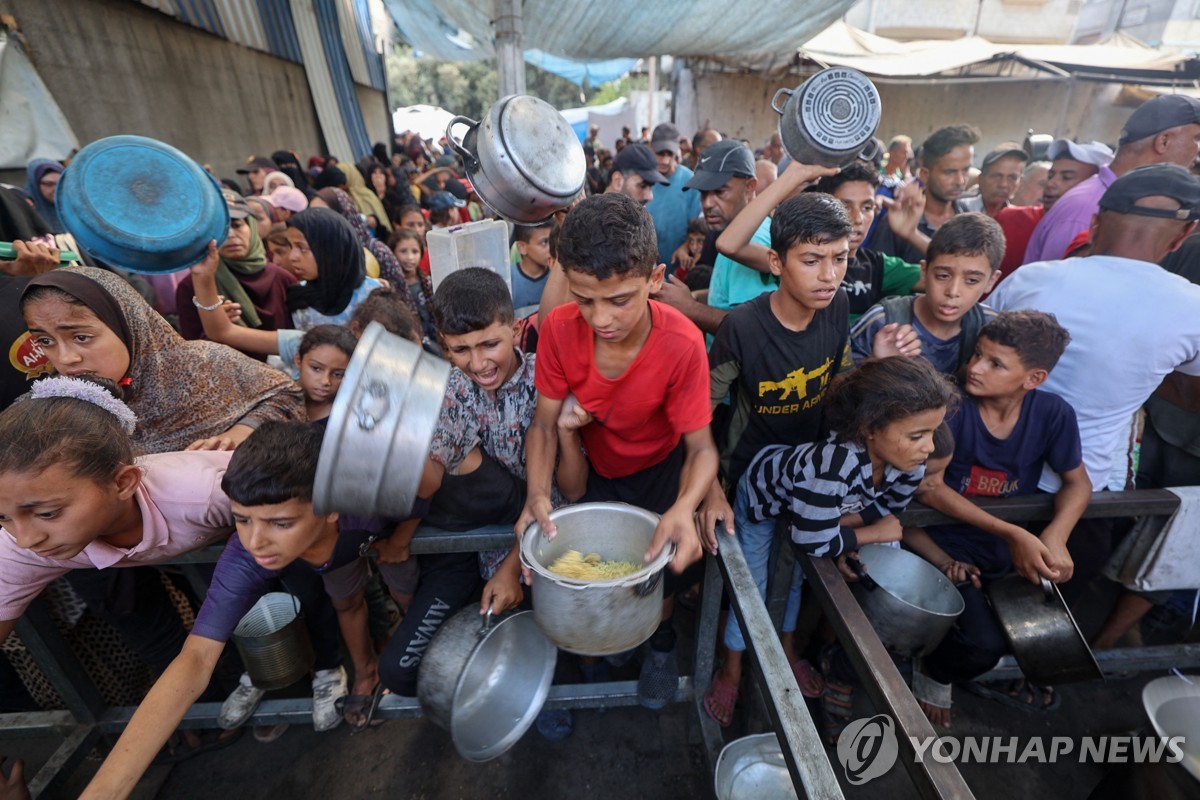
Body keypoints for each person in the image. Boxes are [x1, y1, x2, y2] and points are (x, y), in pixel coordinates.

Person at [80, 422, 397, 796]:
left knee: (355, 602)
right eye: (242, 519)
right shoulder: (246, 555)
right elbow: (196, 658)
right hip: (332, 554)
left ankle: (369, 666)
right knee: (343, 601)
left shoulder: (379, 497)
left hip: (364, 543)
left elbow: (423, 497)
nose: (256, 542)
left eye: (279, 523)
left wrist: (400, 542)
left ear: (331, 506)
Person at [518, 193, 719, 711]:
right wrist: (535, 497)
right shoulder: (561, 330)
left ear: (655, 279)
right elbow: (542, 424)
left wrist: (681, 507)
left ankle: (660, 643)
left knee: (666, 569)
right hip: (595, 470)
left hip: (661, 469)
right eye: (584, 299)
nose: (600, 318)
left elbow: (700, 448)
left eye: (618, 300)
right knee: (602, 564)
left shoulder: (683, 343)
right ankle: (601, 646)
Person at [705, 357, 955, 736]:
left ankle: (788, 650)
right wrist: (866, 534)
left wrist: (839, 532)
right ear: (871, 429)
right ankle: (732, 666)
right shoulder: (831, 467)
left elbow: (885, 508)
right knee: (751, 587)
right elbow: (815, 539)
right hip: (761, 504)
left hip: (810, 511)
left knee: (789, 583)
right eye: (917, 435)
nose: (928, 448)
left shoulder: (910, 464)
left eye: (933, 432)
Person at [989, 163, 1200, 607]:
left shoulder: (1033, 279)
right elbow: (1192, 396)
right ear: (1183, 236)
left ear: (1096, 223)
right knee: (1048, 606)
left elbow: (975, 359)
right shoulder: (1192, 308)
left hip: (990, 478)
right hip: (1085, 493)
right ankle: (1018, 676)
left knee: (973, 588)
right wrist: (1140, 370)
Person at [700, 194, 858, 725]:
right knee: (750, 573)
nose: (828, 274)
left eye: (839, 258)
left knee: (796, 571)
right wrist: (711, 487)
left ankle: (788, 646)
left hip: (807, 472)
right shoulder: (743, 328)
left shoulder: (836, 308)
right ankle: (732, 665)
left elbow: (840, 380)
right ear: (776, 262)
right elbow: (700, 410)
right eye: (812, 260)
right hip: (748, 475)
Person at [902, 311, 1091, 726]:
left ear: (1033, 379)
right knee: (981, 646)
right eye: (977, 355)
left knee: (1047, 642)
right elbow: (926, 489)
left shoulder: (1053, 414)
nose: (974, 368)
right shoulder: (948, 408)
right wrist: (1011, 533)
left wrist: (1056, 538)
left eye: (995, 363)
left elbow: (1078, 484)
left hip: (1001, 555)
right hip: (938, 545)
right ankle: (932, 675)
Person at [21, 266, 304, 453]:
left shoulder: (203, 365)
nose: (66, 358)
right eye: (45, 341)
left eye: (81, 337)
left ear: (129, 325)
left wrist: (242, 431)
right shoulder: (49, 412)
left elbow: (288, 395)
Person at [1024, 94, 1200, 263]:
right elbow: (1061, 287)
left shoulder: (1110, 198)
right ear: (1164, 141)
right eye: (1197, 139)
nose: (1198, 151)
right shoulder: (1086, 208)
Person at [850, 212, 1003, 375]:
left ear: (991, 281)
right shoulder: (883, 322)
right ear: (924, 271)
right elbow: (836, 389)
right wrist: (876, 364)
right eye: (942, 276)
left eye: (972, 280)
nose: (953, 291)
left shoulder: (991, 327)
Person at [174, 190, 296, 345]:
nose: (231, 235)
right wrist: (214, 323)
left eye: (238, 225)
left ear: (251, 227)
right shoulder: (195, 285)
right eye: (222, 229)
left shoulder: (282, 278)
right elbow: (190, 349)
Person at [809, 162, 923, 322]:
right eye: (845, 207)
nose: (858, 219)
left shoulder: (878, 266)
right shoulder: (799, 259)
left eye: (867, 208)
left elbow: (953, 274)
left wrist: (912, 234)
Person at [991, 139, 1115, 284]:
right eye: (1050, 176)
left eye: (1066, 177)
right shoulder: (1010, 218)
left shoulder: (1091, 229)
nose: (1051, 184)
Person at [869, 124, 981, 263]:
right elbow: (877, 275)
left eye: (965, 170)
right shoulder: (896, 221)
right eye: (949, 172)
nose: (960, 180)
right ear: (924, 174)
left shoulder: (970, 221)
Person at [645, 123, 702, 270]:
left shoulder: (690, 181)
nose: (664, 160)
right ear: (651, 148)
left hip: (678, 268)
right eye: (660, 154)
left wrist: (685, 247)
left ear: (677, 150)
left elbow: (698, 227)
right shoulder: (643, 180)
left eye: (669, 154)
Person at [292, 325, 352, 422]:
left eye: (338, 375)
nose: (325, 381)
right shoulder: (275, 398)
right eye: (316, 369)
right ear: (298, 361)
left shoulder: (343, 420)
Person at [388, 227, 436, 342]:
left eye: (415, 252)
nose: (410, 257)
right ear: (392, 254)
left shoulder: (428, 282)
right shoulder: (392, 288)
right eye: (403, 251)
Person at [961, 144, 1028, 218]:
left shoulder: (1020, 218)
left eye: (1012, 178)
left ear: (1020, 183)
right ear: (980, 179)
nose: (1003, 184)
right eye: (996, 176)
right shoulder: (959, 209)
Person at [510, 220, 553, 312]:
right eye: (544, 242)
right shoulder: (509, 279)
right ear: (522, 247)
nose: (551, 248)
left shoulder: (557, 275)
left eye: (552, 241)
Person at [23, 159, 65, 233]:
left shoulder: (73, 209)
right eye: (49, 184)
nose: (56, 189)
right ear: (35, 184)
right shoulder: (24, 209)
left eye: (60, 184)